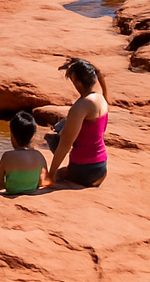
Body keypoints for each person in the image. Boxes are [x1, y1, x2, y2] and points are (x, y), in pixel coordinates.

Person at [45, 58, 109, 188]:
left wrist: (51, 175)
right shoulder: (102, 97)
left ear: (77, 82)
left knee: (54, 142)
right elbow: (99, 73)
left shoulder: (81, 106)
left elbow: (65, 144)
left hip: (83, 170)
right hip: (101, 167)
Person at [0, 110, 48, 195]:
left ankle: (8, 185)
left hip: (11, 192)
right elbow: (42, 181)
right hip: (31, 191)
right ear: (32, 136)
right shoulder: (39, 156)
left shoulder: (7, 156)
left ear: (12, 135)